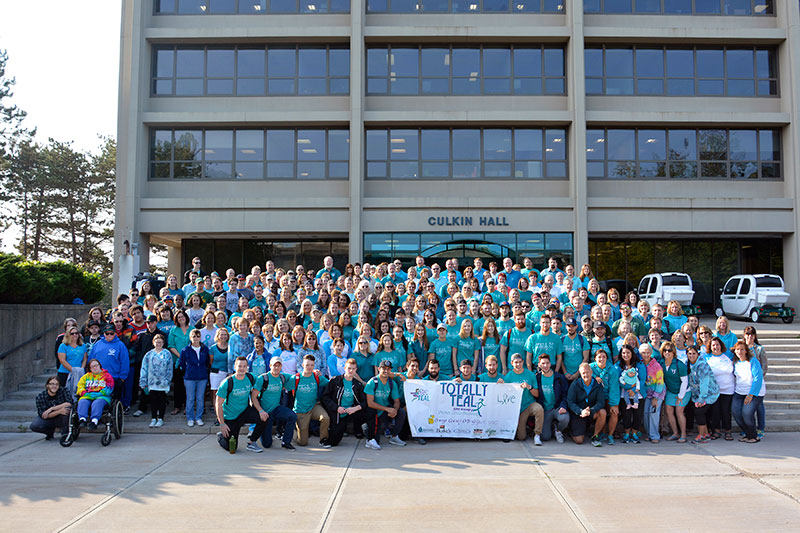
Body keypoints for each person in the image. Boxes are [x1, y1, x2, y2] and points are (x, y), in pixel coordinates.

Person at [215, 356, 268, 453]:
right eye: (239, 366)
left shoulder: (250, 377)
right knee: (232, 448)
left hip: (244, 412)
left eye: (244, 366)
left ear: (247, 367)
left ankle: (252, 443)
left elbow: (262, 381)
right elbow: (218, 404)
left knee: (263, 417)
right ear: (235, 367)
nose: (242, 369)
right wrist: (222, 424)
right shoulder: (227, 382)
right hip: (231, 416)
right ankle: (221, 436)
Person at [251, 357, 298, 450]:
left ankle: (286, 442)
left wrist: (315, 372)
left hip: (276, 409)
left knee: (292, 416)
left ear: (281, 367)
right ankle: (262, 433)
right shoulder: (263, 378)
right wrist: (260, 411)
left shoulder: (283, 377)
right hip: (265, 412)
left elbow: (299, 376)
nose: (276, 368)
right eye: (274, 365)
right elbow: (253, 397)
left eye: (278, 365)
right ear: (270, 366)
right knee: (267, 444)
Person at [321, 358, 367, 447]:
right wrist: (336, 408)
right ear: (345, 368)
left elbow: (364, 402)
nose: (351, 371)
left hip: (352, 411)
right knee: (334, 442)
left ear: (356, 370)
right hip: (338, 412)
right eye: (349, 368)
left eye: (353, 369)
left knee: (369, 412)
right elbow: (325, 397)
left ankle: (367, 435)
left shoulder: (358, 384)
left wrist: (355, 408)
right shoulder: (335, 381)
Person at [288, 354, 331, 447]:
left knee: (325, 418)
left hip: (314, 406)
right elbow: (283, 386)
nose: (309, 367)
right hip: (301, 410)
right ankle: (294, 433)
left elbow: (331, 384)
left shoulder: (317, 377)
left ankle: (323, 439)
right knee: (303, 442)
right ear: (302, 365)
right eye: (307, 365)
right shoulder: (296, 378)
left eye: (312, 365)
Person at [364, 359, 407, 450]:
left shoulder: (392, 383)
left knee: (401, 412)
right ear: (379, 369)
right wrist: (387, 409)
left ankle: (394, 436)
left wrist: (394, 410)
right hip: (374, 411)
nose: (386, 371)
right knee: (375, 440)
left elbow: (396, 400)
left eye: (388, 369)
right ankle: (368, 435)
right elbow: (370, 403)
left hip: (384, 411)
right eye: (384, 368)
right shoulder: (372, 382)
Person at [504, 353, 544, 445]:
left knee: (539, 409)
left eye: (520, 362)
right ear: (512, 363)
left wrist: (529, 387)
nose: (518, 365)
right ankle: (526, 427)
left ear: (523, 362)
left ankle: (537, 435)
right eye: (516, 362)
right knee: (521, 437)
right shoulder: (509, 376)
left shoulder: (530, 375)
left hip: (528, 405)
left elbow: (537, 394)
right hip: (516, 408)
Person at [566, 362, 607, 447]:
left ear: (591, 372)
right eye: (583, 373)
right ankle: (572, 430)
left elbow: (601, 402)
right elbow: (570, 402)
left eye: (587, 372)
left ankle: (595, 436)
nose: (586, 375)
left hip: (591, 412)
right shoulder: (575, 385)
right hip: (579, 414)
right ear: (580, 374)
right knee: (579, 441)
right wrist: (580, 411)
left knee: (603, 412)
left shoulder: (597, 385)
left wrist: (590, 410)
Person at [732, 340, 765, 443]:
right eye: (738, 350)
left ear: (746, 351)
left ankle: (754, 436)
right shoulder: (735, 363)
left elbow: (757, 379)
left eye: (742, 349)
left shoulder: (753, 361)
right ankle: (748, 433)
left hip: (754, 393)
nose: (740, 352)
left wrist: (751, 394)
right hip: (739, 392)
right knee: (736, 412)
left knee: (747, 413)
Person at [687, 345, 720, 444]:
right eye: (689, 353)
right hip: (697, 394)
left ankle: (702, 435)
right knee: (698, 411)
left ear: (698, 354)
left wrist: (701, 399)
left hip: (709, 393)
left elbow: (704, 383)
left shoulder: (702, 365)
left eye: (694, 353)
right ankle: (705, 433)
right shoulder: (688, 364)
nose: (692, 356)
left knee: (699, 412)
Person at [139, 333, 173, 428]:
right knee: (153, 400)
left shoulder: (167, 353)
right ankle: (154, 418)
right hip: (152, 382)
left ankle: (161, 418)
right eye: (157, 342)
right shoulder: (149, 354)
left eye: (160, 342)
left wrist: (167, 380)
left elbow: (170, 368)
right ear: (153, 342)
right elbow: (144, 368)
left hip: (163, 382)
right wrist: (143, 381)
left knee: (162, 400)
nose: (158, 344)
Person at [90, 325, 129, 401]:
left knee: (113, 400)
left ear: (115, 333)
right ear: (104, 334)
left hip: (114, 377)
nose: (109, 335)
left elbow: (125, 362)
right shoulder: (98, 344)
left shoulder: (120, 345)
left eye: (111, 333)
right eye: (107, 333)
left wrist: (122, 377)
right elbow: (91, 359)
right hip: (97, 377)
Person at [535, 353, 569, 443]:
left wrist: (563, 406)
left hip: (557, 407)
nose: (545, 366)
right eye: (543, 363)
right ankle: (551, 426)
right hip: (545, 410)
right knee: (545, 437)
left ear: (551, 364)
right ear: (539, 365)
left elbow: (565, 394)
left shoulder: (559, 377)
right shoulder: (537, 378)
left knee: (564, 418)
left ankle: (558, 430)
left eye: (547, 363)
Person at [706, 337, 735, 441]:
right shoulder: (707, 358)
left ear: (721, 345)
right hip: (714, 391)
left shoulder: (728, 357)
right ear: (710, 346)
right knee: (715, 412)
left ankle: (728, 431)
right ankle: (716, 431)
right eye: (713, 345)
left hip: (728, 389)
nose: (715, 347)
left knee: (726, 411)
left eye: (717, 345)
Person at [661, 341, 690, 443]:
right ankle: (675, 433)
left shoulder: (679, 364)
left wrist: (681, 396)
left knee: (679, 411)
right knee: (669, 411)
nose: (667, 352)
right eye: (665, 350)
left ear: (673, 352)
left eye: (669, 350)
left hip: (684, 391)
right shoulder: (661, 363)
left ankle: (683, 434)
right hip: (671, 391)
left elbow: (684, 381)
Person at [75, 359, 114, 430]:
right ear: (90, 368)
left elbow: (109, 388)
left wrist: (97, 394)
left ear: (99, 366)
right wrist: (84, 392)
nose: (95, 368)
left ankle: (94, 421)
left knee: (97, 403)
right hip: (87, 396)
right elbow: (80, 386)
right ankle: (82, 419)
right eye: (92, 367)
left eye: (96, 365)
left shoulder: (107, 376)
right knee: (82, 401)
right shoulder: (85, 377)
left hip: (102, 397)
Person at [743, 325, 768, 439]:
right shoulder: (742, 347)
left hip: (757, 382)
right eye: (747, 334)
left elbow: (764, 365)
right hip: (745, 381)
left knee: (759, 406)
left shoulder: (759, 349)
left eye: (752, 334)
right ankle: (748, 429)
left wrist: (758, 378)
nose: (749, 336)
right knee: (748, 407)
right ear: (744, 335)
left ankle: (761, 428)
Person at [640, 343, 666, 443]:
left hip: (657, 393)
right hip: (647, 394)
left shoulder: (657, 366)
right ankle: (648, 434)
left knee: (653, 413)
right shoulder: (641, 364)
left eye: (648, 353)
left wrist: (656, 397)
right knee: (646, 413)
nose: (646, 355)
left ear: (651, 353)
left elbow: (660, 383)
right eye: (643, 353)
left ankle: (655, 435)